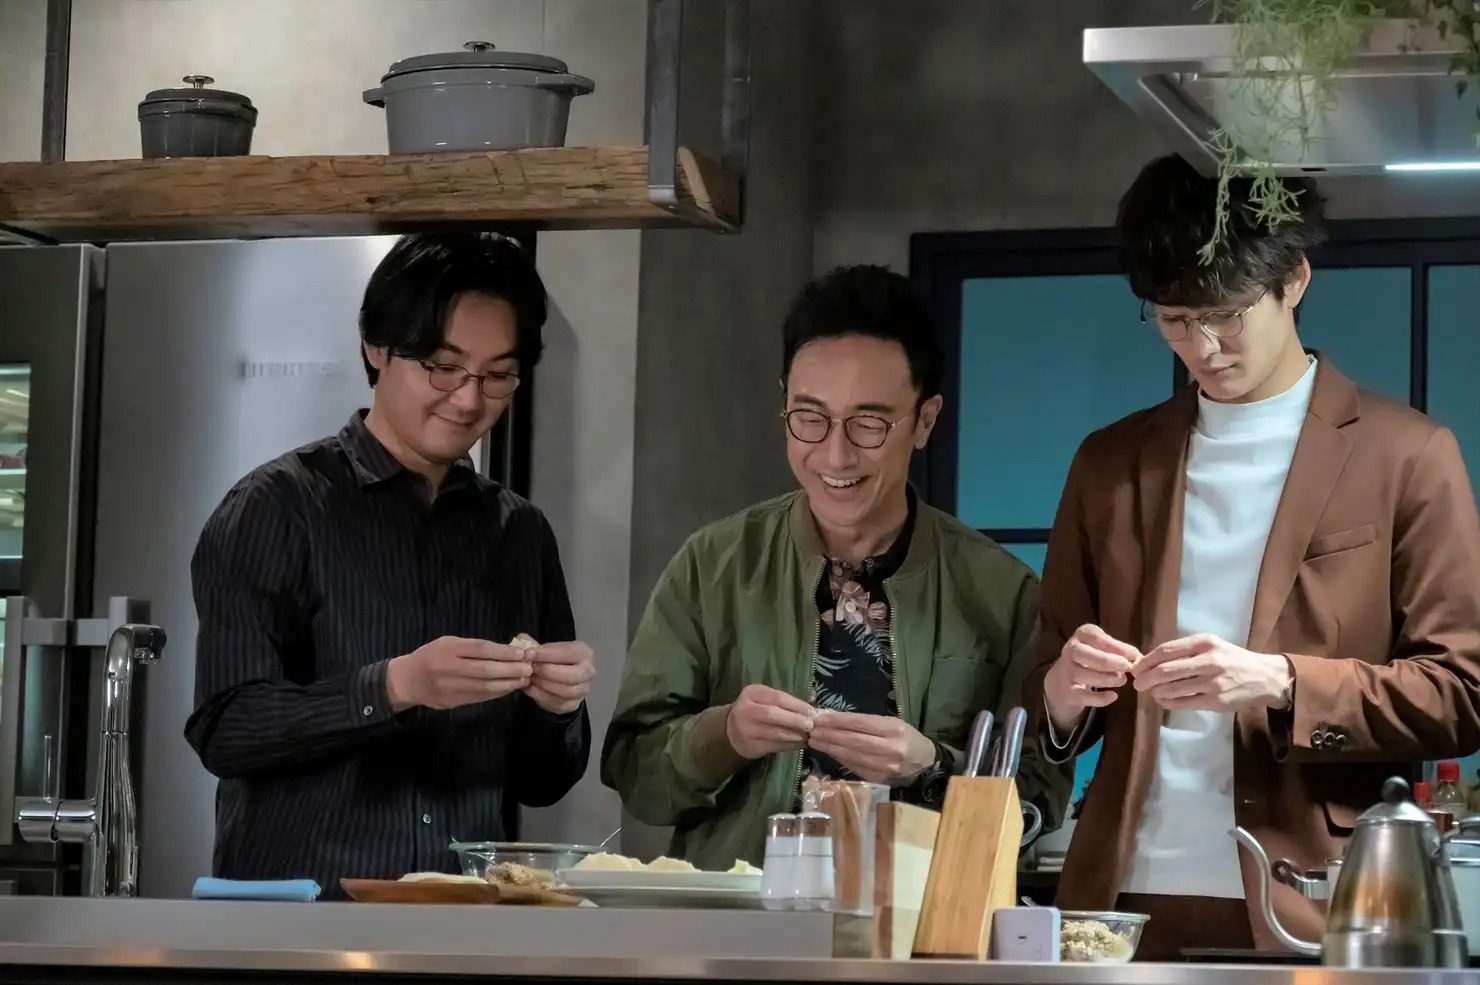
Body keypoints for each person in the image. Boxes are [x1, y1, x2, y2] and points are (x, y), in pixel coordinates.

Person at [1025, 154, 1480, 959]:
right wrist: (1062, 693)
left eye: (1226, 314)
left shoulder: (1407, 455)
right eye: (1175, 320)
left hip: (1317, 899)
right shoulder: (1108, 462)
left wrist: (1283, 682)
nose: (1203, 347)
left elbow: (1462, 692)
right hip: (1118, 902)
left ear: (1294, 279)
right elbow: (1041, 696)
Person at [602, 265, 1069, 869]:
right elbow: (635, 777)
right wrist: (726, 736)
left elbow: (1036, 802)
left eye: (869, 424)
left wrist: (933, 768)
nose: (835, 454)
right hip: (737, 918)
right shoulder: (713, 566)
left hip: (922, 919)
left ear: (925, 421)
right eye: (810, 417)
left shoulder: (1002, 591)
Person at [185, 233, 595, 896]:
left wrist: (559, 708)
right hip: (299, 920)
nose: (468, 400)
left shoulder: (519, 533)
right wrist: (396, 686)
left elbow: (542, 781)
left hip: (460, 920)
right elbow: (225, 728)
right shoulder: (276, 506)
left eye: (497, 376)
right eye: (442, 366)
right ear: (376, 347)